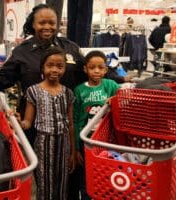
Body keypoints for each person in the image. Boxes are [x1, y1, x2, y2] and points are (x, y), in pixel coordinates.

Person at [0, 3, 86, 145]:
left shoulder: (71, 47)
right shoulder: (22, 52)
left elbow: (88, 73)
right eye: (42, 22)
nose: (47, 27)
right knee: (35, 161)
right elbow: (2, 79)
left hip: (66, 121)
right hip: (33, 122)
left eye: (52, 23)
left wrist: (114, 81)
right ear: (33, 24)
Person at [15, 47, 76, 200]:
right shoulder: (33, 91)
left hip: (64, 143)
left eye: (60, 66)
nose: (54, 69)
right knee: (44, 182)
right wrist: (18, 123)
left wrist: (73, 152)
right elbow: (28, 122)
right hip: (43, 143)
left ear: (64, 68)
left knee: (62, 182)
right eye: (50, 65)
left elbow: (70, 125)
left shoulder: (68, 93)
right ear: (42, 67)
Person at [73, 50, 120, 199]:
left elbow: (123, 100)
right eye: (92, 67)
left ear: (106, 69)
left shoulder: (111, 85)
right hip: (86, 142)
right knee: (85, 177)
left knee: (106, 173)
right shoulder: (79, 90)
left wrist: (115, 100)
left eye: (100, 67)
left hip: (107, 141)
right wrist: (75, 148)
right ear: (85, 69)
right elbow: (74, 119)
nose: (96, 71)